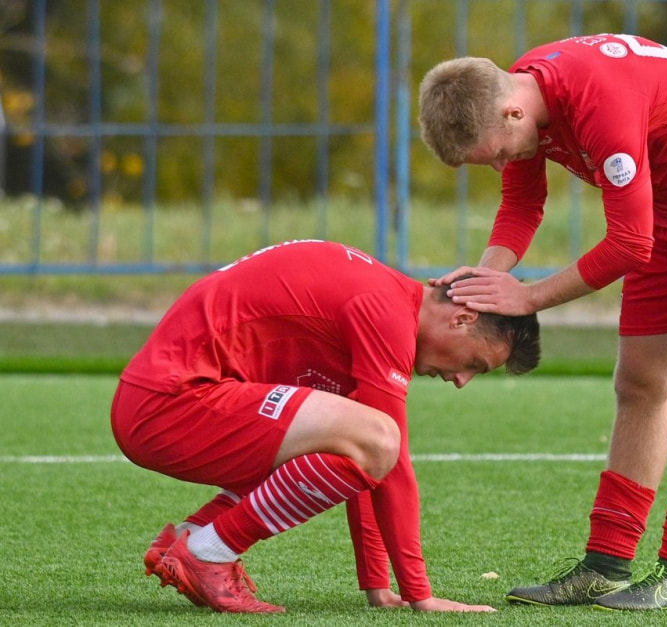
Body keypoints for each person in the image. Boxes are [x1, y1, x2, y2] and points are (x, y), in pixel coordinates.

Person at [418, 33, 667, 611]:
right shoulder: (516, 93)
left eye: (496, 152)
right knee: (638, 382)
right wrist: (483, 280)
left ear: (511, 110)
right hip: (665, 206)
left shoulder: (599, 103)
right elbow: (522, 206)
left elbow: (627, 244)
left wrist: (529, 298)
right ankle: (606, 566)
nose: (501, 163)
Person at [110, 238, 541, 614]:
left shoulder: (386, 296)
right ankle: (208, 553)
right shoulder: (386, 313)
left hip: (159, 402)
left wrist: (378, 586)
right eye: (474, 364)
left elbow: (364, 464)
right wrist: (420, 595)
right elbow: (389, 460)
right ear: (462, 318)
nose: (461, 381)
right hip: (169, 405)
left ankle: (191, 539)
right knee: (378, 438)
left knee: (362, 438)